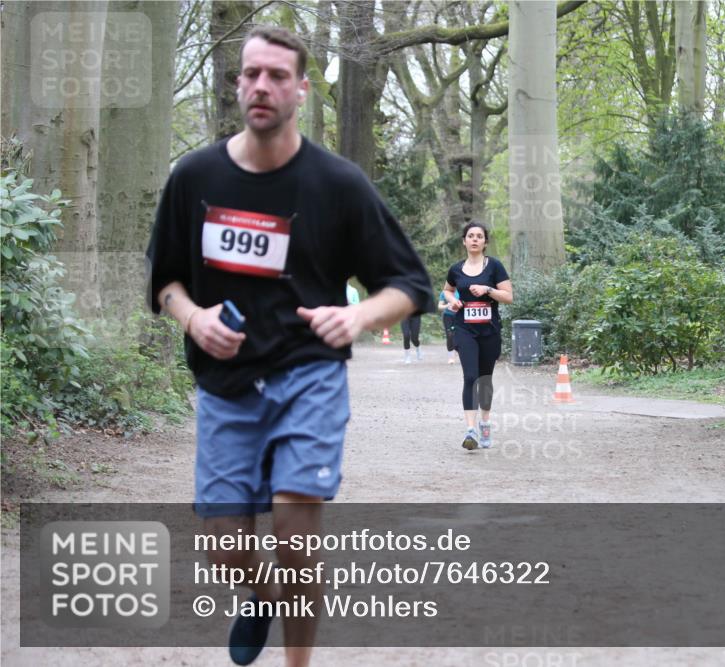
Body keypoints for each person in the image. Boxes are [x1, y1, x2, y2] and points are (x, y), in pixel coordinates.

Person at [145, 26, 433, 667]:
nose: (262, 86)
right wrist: (192, 319)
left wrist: (356, 319)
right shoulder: (195, 177)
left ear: (302, 88)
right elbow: (164, 281)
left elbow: (408, 285)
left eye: (278, 75)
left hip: (309, 376)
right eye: (251, 74)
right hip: (226, 386)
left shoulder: (338, 184)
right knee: (225, 549)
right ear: (238, 83)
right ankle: (258, 592)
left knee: (296, 535)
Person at [442, 222, 513, 450]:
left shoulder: (495, 267)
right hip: (464, 329)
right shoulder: (455, 269)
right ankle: (470, 430)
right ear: (464, 241)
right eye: (470, 236)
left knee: (484, 380)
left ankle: (484, 423)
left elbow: (509, 296)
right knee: (470, 377)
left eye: (479, 236)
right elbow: (447, 289)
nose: (474, 239)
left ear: (485, 242)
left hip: (489, 330)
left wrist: (488, 290)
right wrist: (453, 301)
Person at [437, 290, 457, 364]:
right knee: (450, 335)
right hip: (448, 316)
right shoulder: (444, 293)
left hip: (459, 316)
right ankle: (451, 357)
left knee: (458, 334)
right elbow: (439, 306)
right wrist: (447, 305)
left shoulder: (461, 290)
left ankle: (457, 351)